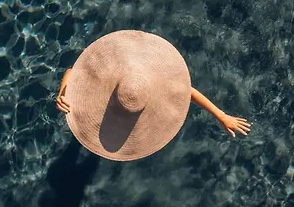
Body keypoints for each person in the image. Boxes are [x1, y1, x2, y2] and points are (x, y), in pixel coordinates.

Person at [55, 30, 251, 161]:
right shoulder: (135, 80)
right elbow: (187, 92)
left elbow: (72, 72)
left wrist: (65, 91)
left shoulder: (137, 80)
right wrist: (63, 94)